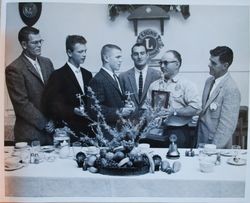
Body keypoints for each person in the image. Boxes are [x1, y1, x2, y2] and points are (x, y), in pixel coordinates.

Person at [5, 26, 55, 145]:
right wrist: (45, 123)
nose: (39, 45)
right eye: (35, 42)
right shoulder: (14, 69)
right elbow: (22, 104)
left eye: (40, 41)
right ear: (24, 45)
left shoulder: (47, 62)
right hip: (30, 135)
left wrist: (54, 119)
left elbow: (55, 93)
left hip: (51, 133)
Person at [146, 50, 201, 148]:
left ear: (177, 64)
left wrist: (174, 112)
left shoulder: (187, 85)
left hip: (178, 132)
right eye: (161, 63)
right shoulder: (154, 85)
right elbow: (147, 108)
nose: (162, 66)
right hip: (155, 131)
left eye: (166, 63)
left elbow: (195, 109)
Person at [42, 35, 93, 142]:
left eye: (85, 51)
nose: (84, 55)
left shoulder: (88, 74)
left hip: (88, 131)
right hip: (68, 131)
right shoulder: (57, 75)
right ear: (69, 53)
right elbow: (50, 105)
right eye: (80, 52)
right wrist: (73, 110)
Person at [197, 46, 241, 149]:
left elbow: (226, 127)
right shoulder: (209, 81)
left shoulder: (231, 89)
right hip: (201, 140)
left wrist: (212, 149)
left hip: (215, 147)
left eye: (214, 63)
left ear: (225, 66)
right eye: (210, 61)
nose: (209, 65)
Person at [88, 44, 135, 140]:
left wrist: (127, 105)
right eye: (118, 57)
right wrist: (121, 111)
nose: (121, 60)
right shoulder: (98, 80)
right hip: (108, 134)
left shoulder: (115, 77)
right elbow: (95, 110)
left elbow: (116, 101)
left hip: (120, 131)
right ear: (106, 58)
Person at [119, 43, 161, 118]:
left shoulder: (158, 75)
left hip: (151, 121)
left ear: (147, 55)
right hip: (130, 122)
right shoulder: (123, 76)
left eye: (142, 53)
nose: (139, 57)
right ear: (132, 57)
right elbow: (119, 101)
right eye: (136, 54)